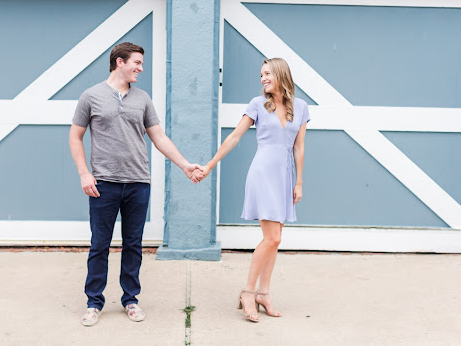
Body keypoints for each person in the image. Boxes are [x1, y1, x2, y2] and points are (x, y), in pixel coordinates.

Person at [69, 42, 201, 326]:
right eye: (137, 63)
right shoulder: (90, 97)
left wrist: (185, 165)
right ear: (119, 62)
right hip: (103, 183)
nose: (141, 68)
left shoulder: (142, 98)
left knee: (133, 245)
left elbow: (159, 138)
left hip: (138, 183)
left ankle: (131, 299)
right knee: (99, 245)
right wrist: (84, 173)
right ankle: (94, 302)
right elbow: (75, 137)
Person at [195, 57, 309, 323]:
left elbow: (299, 147)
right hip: (262, 174)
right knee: (272, 238)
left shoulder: (301, 107)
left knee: (276, 239)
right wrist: (210, 164)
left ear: (281, 74)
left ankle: (264, 293)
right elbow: (234, 136)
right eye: (261, 75)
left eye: (267, 73)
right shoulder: (257, 105)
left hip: (284, 176)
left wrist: (299, 182)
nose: (263, 78)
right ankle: (249, 292)